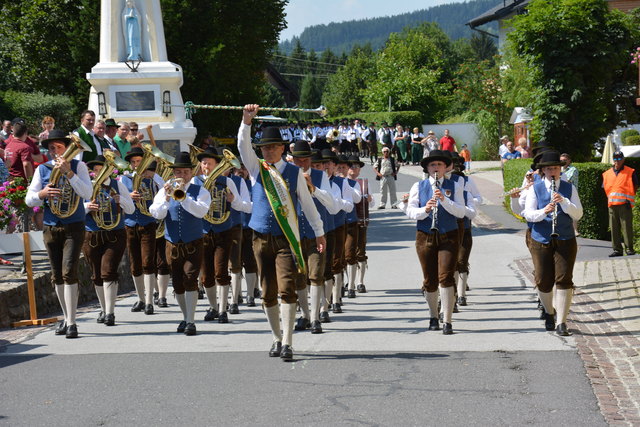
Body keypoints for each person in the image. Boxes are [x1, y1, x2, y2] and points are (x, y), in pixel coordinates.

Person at [238, 106, 325, 362]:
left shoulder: (294, 172)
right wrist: (246, 121)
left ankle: (288, 341)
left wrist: (319, 232)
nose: (269, 150)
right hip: (260, 237)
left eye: (273, 146)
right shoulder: (257, 169)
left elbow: (307, 205)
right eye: (265, 147)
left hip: (286, 238)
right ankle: (276, 337)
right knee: (267, 291)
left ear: (282, 148)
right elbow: (243, 147)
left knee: (287, 289)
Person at [25, 129, 93, 338]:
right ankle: (66, 317)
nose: (55, 152)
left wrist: (69, 174)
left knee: (69, 271)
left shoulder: (78, 166)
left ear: (67, 148)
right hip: (51, 226)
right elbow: (29, 199)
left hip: (74, 224)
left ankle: (72, 322)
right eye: (52, 148)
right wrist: (41, 194)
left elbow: (87, 193)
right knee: (57, 276)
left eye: (59, 148)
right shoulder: (42, 169)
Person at [399, 149, 465, 334]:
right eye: (432, 165)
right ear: (427, 168)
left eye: (440, 165)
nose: (436, 168)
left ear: (446, 168)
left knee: (446, 277)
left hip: (449, 234)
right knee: (430, 280)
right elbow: (411, 211)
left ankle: (448, 320)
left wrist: (444, 200)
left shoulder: (455, 186)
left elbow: (461, 212)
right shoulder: (418, 186)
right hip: (425, 235)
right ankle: (433, 315)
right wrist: (425, 210)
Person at [150, 152, 211, 336]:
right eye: (178, 172)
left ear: (191, 173)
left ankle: (191, 321)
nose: (182, 176)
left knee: (190, 278)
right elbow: (156, 213)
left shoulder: (200, 190)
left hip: (193, 241)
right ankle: (186, 317)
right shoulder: (165, 189)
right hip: (172, 243)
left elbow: (201, 212)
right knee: (177, 283)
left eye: (185, 172)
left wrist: (184, 198)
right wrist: (167, 198)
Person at [522, 150, 583, 336]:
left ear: (560, 169)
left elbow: (578, 214)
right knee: (542, 280)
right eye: (549, 169)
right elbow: (528, 213)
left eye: (556, 168)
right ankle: (549, 312)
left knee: (564, 279)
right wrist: (544, 211)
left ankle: (562, 322)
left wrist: (564, 202)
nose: (553, 171)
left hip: (565, 238)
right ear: (544, 171)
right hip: (541, 238)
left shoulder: (568, 188)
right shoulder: (535, 188)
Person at [193, 147, 246, 324]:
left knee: (221, 271)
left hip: (223, 230)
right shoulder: (195, 181)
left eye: (209, 163)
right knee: (206, 275)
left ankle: (223, 309)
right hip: (202, 232)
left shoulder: (227, 182)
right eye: (203, 163)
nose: (205, 166)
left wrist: (233, 200)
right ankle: (213, 307)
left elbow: (240, 205)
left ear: (217, 165)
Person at [291, 143, 338, 334]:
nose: (301, 163)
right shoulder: (287, 176)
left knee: (316, 275)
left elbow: (332, 205)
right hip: (294, 233)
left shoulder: (320, 176)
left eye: (305, 159)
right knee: (298, 277)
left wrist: (313, 188)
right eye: (298, 160)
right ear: (292, 160)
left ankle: (316, 317)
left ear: (311, 160)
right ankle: (305, 315)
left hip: (316, 234)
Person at [82, 155, 134, 326]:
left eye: (102, 169)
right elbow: (76, 210)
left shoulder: (117, 185)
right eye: (96, 170)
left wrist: (122, 200)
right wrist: (87, 207)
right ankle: (104, 309)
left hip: (115, 233)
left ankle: (110, 312)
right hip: (92, 234)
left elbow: (131, 209)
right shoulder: (87, 186)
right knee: (97, 274)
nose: (98, 172)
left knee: (109, 270)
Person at [119, 147, 163, 313]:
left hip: (148, 223)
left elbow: (163, 190)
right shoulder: (125, 179)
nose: (137, 165)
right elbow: (120, 199)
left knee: (147, 262)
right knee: (135, 263)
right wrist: (128, 197)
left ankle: (150, 300)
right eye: (134, 162)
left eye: (139, 161)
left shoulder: (153, 178)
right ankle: (140, 298)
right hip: (130, 224)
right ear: (130, 164)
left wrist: (152, 176)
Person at [602, 151, 638, 257]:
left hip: (625, 204)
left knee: (627, 227)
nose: (617, 161)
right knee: (614, 228)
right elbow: (604, 187)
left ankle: (629, 249)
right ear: (613, 160)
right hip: (612, 205)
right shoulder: (607, 173)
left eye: (619, 158)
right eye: (615, 159)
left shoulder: (630, 171)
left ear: (623, 159)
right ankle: (617, 250)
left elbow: (635, 185)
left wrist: (628, 198)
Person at [347, 154, 374, 294]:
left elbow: (373, 202)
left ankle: (360, 282)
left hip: (361, 220)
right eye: (351, 166)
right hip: (346, 222)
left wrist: (370, 199)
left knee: (361, 251)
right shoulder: (342, 181)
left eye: (356, 167)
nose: (353, 169)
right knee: (348, 253)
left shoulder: (364, 183)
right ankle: (349, 282)